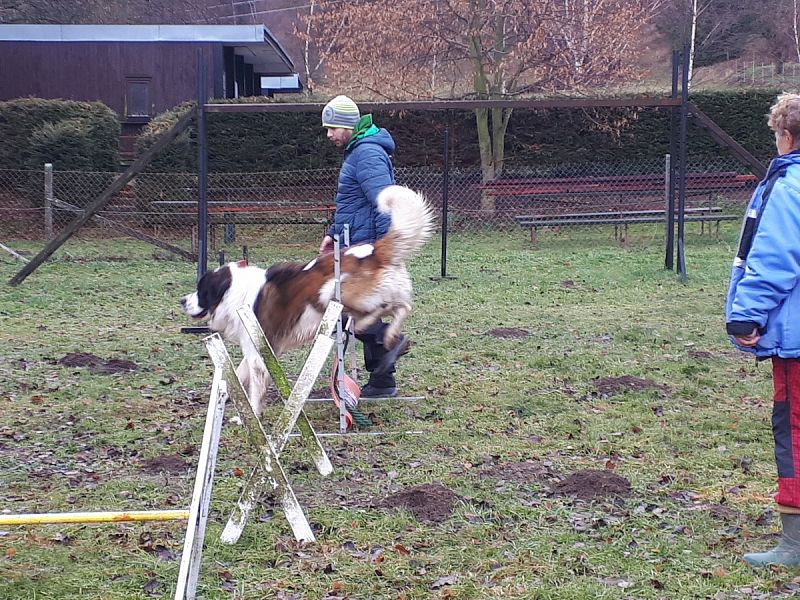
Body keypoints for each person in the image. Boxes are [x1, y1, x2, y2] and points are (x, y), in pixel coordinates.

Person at [726, 92, 800, 567]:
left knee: (794, 430)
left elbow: (773, 259)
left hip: (796, 344)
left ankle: (794, 544)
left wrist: (745, 315)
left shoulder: (789, 187)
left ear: (786, 136)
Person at [320, 94, 407, 398]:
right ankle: (383, 381)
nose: (329, 134)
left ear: (346, 125)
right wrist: (333, 233)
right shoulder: (358, 152)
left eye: (332, 128)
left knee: (341, 311)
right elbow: (353, 203)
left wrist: (382, 251)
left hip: (369, 247)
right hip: (356, 241)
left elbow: (385, 202)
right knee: (362, 310)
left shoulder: (366, 153)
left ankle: (389, 339)